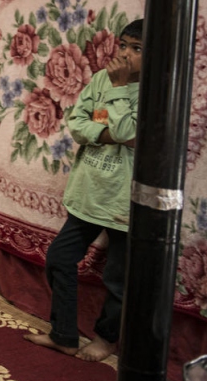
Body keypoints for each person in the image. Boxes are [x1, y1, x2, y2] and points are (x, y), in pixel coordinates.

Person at [24, 18, 145, 362]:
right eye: (123, 45)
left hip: (125, 201)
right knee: (59, 259)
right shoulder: (101, 80)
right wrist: (111, 134)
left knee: (118, 281)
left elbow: (132, 131)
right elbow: (79, 125)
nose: (125, 54)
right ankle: (63, 334)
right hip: (89, 192)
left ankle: (107, 340)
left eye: (137, 49)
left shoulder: (152, 91)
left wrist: (120, 92)